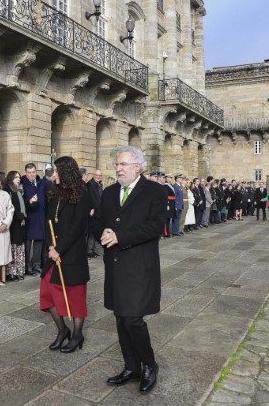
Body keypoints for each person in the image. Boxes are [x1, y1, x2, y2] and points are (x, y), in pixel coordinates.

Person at [90, 146, 165, 393]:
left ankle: (150, 365)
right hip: (114, 265)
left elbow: (155, 226)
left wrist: (120, 236)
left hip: (139, 267)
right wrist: (102, 232)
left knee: (133, 318)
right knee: (121, 318)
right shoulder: (110, 192)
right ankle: (131, 367)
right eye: (117, 165)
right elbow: (98, 220)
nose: (118, 169)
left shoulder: (155, 191)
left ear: (137, 167)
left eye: (123, 164)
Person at [41, 156, 91, 353]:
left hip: (72, 253)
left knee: (75, 296)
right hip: (53, 253)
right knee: (46, 292)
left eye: (56, 171)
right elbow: (49, 223)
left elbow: (78, 227)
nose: (53, 175)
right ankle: (62, 330)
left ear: (66, 172)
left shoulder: (82, 193)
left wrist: (59, 249)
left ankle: (77, 335)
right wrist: (49, 248)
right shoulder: (55, 193)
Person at [21, 163, 48, 276]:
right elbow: (21, 203)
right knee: (27, 244)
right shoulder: (22, 184)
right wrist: (30, 202)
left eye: (33, 172)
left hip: (41, 216)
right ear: (26, 173)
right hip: (29, 217)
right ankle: (27, 266)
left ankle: (36, 265)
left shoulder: (41, 183)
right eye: (29, 173)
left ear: (36, 171)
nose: (32, 175)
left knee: (39, 243)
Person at [3, 171, 26, 282]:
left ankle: (18, 271)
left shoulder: (18, 190)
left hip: (19, 223)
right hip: (12, 223)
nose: (18, 179)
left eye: (19, 177)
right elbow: (11, 207)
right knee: (13, 247)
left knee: (19, 247)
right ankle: (11, 273)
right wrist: (20, 218)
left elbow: (21, 206)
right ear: (11, 178)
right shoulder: (8, 190)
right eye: (16, 177)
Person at [86, 169, 103, 256]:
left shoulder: (100, 184)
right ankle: (89, 251)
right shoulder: (90, 184)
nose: (98, 177)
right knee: (91, 232)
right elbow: (89, 198)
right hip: (93, 211)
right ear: (94, 175)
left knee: (97, 231)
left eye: (100, 175)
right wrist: (91, 208)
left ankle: (94, 250)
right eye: (97, 175)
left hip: (99, 211)